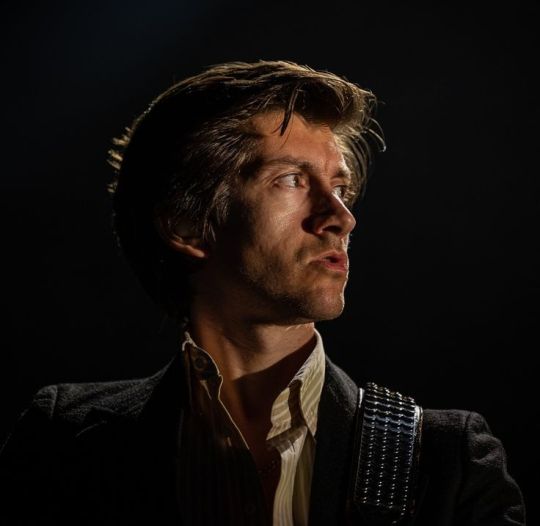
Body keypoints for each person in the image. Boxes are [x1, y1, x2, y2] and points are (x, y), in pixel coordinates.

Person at [0, 60, 525, 525]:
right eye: (291, 179)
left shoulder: (444, 458)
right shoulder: (64, 442)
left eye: (340, 188)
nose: (341, 217)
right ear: (186, 225)